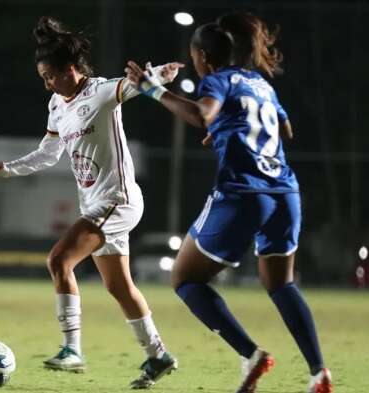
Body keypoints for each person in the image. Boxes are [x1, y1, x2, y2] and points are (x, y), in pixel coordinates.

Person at [125, 12, 332, 393]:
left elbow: (202, 115)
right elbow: (284, 129)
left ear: (202, 56)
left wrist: (154, 90)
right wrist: (230, 129)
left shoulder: (218, 81)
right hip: (285, 194)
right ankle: (319, 372)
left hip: (243, 194)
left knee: (186, 279)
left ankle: (251, 354)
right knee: (281, 284)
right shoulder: (261, 84)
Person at [0, 16, 180, 389]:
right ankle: (158, 356)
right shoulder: (58, 104)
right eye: (42, 78)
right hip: (95, 205)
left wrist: (161, 76)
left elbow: (133, 87)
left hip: (117, 200)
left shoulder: (100, 91)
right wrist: (5, 169)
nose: (47, 84)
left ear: (70, 69)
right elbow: (46, 154)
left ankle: (71, 349)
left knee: (58, 259)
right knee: (120, 288)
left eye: (50, 76)